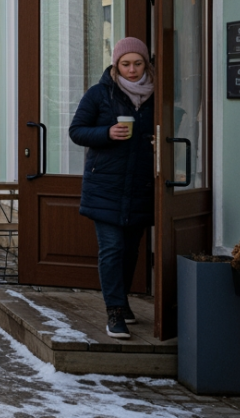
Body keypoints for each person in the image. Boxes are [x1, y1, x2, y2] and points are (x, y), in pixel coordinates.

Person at [68, 37, 155, 340]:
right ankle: (114, 312)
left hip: (142, 185)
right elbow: (76, 131)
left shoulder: (158, 95)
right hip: (105, 185)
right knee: (112, 248)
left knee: (130, 250)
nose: (132, 70)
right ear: (116, 65)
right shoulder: (99, 94)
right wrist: (107, 132)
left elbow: (175, 126)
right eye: (125, 64)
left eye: (137, 63)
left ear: (146, 63)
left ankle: (124, 301)